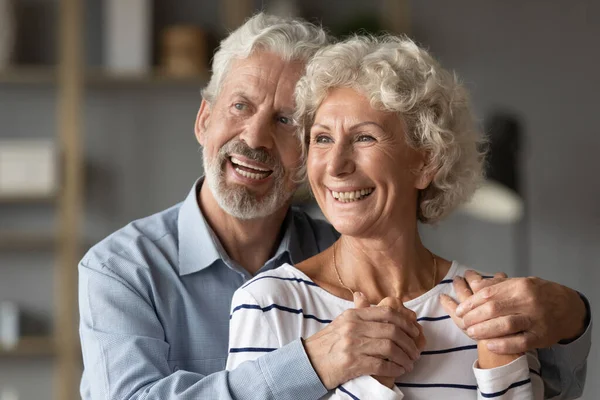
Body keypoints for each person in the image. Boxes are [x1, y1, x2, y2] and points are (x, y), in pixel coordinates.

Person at [78, 13, 591, 400]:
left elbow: (549, 383)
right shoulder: (121, 269)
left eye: (285, 121)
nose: (254, 137)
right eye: (240, 106)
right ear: (203, 120)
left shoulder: (360, 249)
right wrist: (315, 363)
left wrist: (574, 317)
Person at [224, 34, 580, 399]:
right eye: (322, 139)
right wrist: (371, 384)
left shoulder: (493, 311)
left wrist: (500, 365)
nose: (335, 165)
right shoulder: (267, 303)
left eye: (364, 138)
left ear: (426, 161)